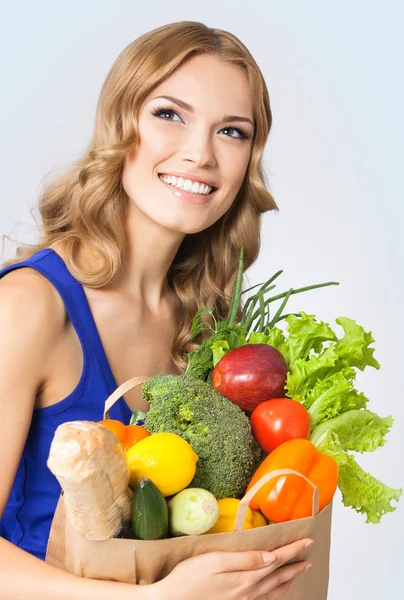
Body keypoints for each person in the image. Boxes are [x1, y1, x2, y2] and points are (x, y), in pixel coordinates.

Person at [0, 21, 313, 599]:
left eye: (232, 131)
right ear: (120, 126)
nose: (200, 153)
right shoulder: (29, 307)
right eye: (170, 114)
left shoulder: (211, 324)